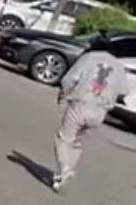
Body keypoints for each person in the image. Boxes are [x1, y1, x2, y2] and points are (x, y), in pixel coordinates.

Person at [51, 37, 127, 189]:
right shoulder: (119, 66)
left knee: (64, 139)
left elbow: (69, 80)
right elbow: (123, 90)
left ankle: (65, 169)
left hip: (81, 104)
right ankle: (63, 175)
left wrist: (64, 96)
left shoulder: (89, 58)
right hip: (100, 111)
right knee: (77, 142)